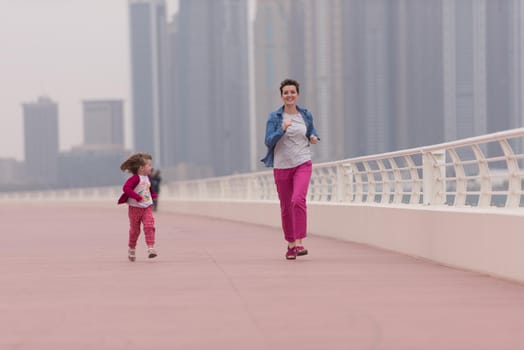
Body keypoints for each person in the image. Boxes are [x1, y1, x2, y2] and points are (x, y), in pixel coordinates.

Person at [261, 79, 320, 260]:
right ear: (281, 96)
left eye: (292, 92)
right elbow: (268, 141)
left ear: (298, 94)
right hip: (282, 166)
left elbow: (312, 131)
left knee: (297, 200)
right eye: (286, 93)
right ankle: (290, 245)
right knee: (286, 207)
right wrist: (281, 130)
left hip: (303, 162)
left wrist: (313, 137)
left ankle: (300, 243)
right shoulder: (274, 117)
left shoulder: (305, 115)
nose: (289, 95)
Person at [117, 152, 158, 262]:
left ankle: (151, 248)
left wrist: (153, 195)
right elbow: (126, 188)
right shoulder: (135, 178)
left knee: (149, 226)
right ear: (141, 168)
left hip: (147, 206)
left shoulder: (147, 177)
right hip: (135, 208)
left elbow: (148, 188)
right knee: (135, 231)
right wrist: (136, 197)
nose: (151, 167)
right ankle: (131, 248)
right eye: (149, 165)